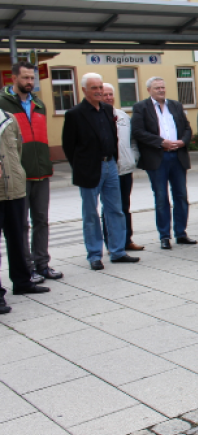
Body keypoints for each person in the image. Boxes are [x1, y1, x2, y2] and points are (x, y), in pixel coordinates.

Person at [62, 73, 140, 270]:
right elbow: (68, 146)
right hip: (90, 169)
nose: (98, 91)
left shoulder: (107, 109)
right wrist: (81, 167)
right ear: (84, 90)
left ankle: (118, 251)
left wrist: (114, 159)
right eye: (94, 88)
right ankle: (95, 255)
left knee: (115, 210)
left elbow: (112, 136)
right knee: (91, 214)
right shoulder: (75, 114)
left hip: (110, 166)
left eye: (99, 87)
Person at [0, 61, 62, 283]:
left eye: (32, 78)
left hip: (41, 171)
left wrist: (46, 162)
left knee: (41, 220)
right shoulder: (3, 104)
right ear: (13, 78)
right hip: (18, 174)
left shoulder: (39, 104)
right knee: (21, 225)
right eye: (25, 78)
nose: (30, 82)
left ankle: (42, 264)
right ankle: (26, 269)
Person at [131, 77, 197, 250]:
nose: (160, 90)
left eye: (162, 87)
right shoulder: (141, 108)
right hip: (158, 157)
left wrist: (183, 141)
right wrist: (161, 142)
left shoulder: (175, 105)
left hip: (177, 156)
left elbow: (187, 128)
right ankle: (164, 236)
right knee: (161, 198)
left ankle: (181, 233)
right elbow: (138, 132)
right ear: (149, 90)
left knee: (181, 196)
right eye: (156, 88)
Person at [0, 108, 50, 309]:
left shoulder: (8, 119)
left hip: (15, 189)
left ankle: (22, 282)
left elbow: (18, 149)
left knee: (17, 237)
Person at [101, 83, 143, 251]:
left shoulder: (123, 116)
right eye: (105, 94)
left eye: (111, 94)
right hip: (108, 169)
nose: (109, 97)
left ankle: (127, 240)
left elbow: (132, 140)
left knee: (125, 206)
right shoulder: (98, 116)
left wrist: (134, 157)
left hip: (125, 169)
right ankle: (112, 242)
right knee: (110, 208)